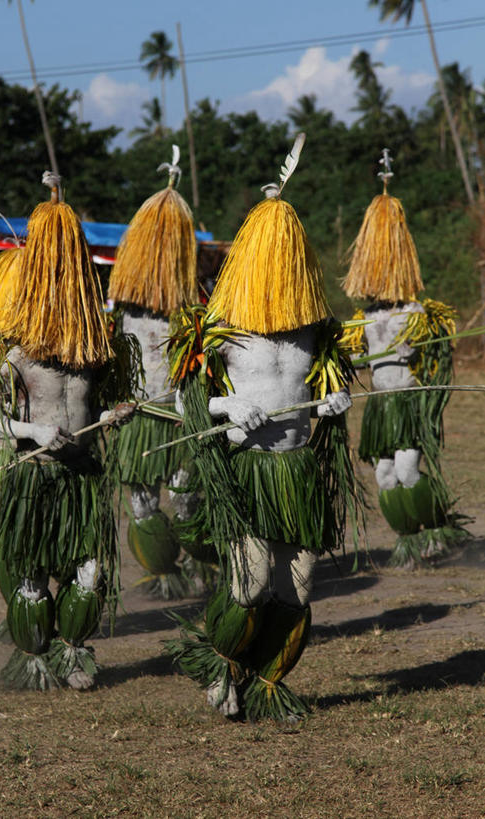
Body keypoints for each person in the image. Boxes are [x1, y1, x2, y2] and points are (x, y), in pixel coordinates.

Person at [166, 135, 362, 721]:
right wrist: (228, 408)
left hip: (297, 472)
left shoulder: (315, 330)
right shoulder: (220, 328)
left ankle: (266, 682)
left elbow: (329, 388)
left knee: (295, 591)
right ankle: (222, 661)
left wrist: (334, 403)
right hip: (246, 470)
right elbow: (184, 401)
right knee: (250, 586)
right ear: (251, 257)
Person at [0, 172, 136, 690]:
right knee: (30, 578)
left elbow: (98, 404)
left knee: (91, 572)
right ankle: (34, 653)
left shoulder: (92, 352)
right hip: (34, 477)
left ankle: (72, 651)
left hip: (81, 477)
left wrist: (115, 414)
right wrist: (33, 430)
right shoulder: (18, 354)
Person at [342, 149, 466, 566]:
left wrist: (418, 351)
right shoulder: (364, 317)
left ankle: (435, 529)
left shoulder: (416, 312)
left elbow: (439, 359)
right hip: (381, 406)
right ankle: (408, 538)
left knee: (409, 471)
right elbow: (360, 360)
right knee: (384, 476)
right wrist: (350, 362)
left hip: (408, 401)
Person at [107, 146, 213, 598]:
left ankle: (203, 565)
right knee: (142, 503)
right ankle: (163, 572)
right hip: (138, 415)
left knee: (186, 498)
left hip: (182, 418)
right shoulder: (123, 313)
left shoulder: (196, 308)